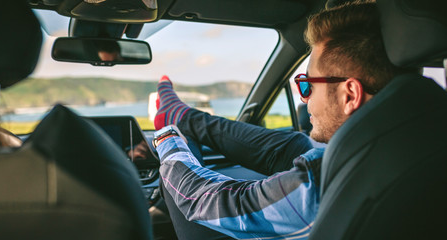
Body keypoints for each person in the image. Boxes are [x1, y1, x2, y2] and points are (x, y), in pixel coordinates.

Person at [152, 1, 409, 239]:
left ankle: (174, 118)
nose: (304, 99)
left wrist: (167, 139)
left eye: (308, 85)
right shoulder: (422, 132)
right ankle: (183, 115)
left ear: (349, 94)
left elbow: (213, 202)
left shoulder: (327, 182)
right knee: (296, 145)